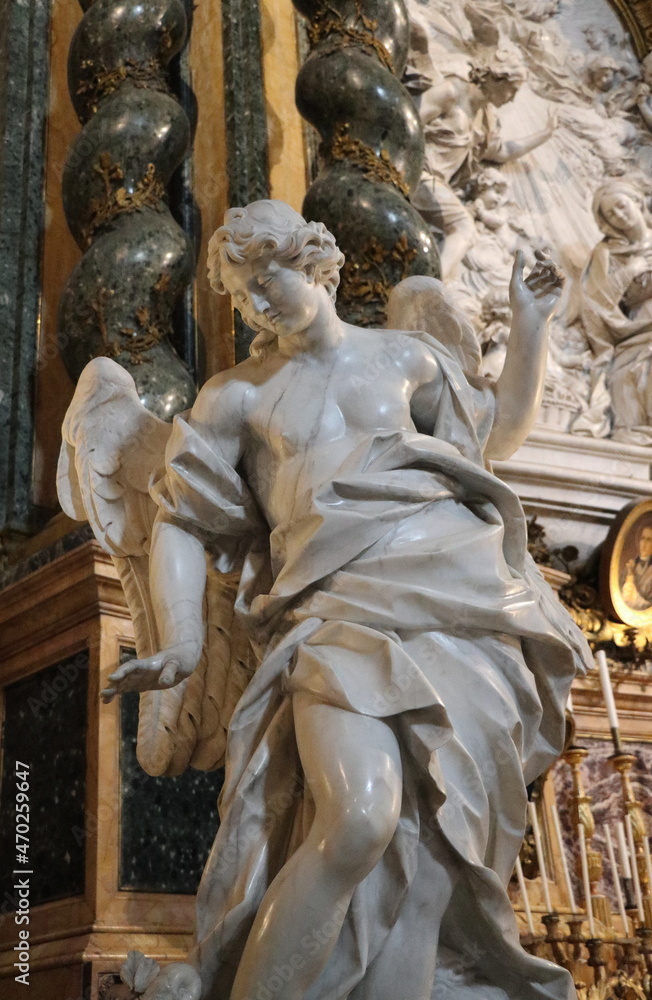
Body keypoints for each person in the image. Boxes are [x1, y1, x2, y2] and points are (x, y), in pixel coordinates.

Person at [87, 200, 589, 1000]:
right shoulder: (237, 397)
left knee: (433, 851)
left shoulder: (407, 359)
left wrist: (530, 328)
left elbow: (492, 441)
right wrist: (183, 644)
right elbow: (180, 517)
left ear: (315, 260)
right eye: (243, 290)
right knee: (359, 817)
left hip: (458, 608)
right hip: (333, 617)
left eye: (268, 275)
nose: (256, 300)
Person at [412, 54, 558, 279]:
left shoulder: (485, 122)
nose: (511, 100)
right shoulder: (451, 91)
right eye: (513, 90)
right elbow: (408, 121)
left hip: (434, 184)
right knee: (464, 228)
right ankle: (425, 290)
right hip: (415, 172)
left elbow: (504, 151)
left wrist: (545, 134)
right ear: (498, 78)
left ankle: (429, 284)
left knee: (456, 242)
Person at [581, 178, 652, 444]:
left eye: (622, 206)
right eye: (611, 213)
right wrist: (629, 272)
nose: (620, 216)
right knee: (627, 373)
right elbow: (595, 300)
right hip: (635, 328)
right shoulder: (606, 252)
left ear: (637, 201)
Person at [622, 523, 652, 610]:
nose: (644, 544)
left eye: (649, 540)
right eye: (642, 539)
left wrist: (634, 597)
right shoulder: (630, 565)